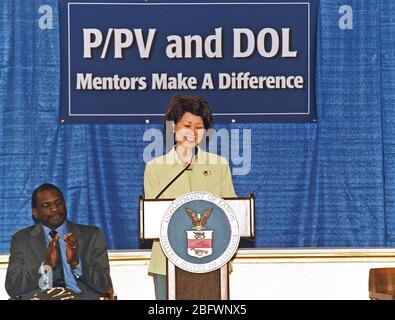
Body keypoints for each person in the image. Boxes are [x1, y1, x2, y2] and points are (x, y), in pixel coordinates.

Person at [144, 95, 237, 299]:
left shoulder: (219, 165)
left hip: (212, 259)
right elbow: (153, 217)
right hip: (167, 262)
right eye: (187, 125)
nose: (193, 132)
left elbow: (232, 214)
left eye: (199, 126)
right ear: (174, 127)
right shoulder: (155, 168)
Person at [5, 183, 112, 300]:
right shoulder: (21, 239)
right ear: (35, 212)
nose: (55, 209)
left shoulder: (91, 236)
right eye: (47, 205)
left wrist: (76, 263)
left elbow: (104, 285)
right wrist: (45, 266)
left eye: (58, 203)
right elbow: (13, 287)